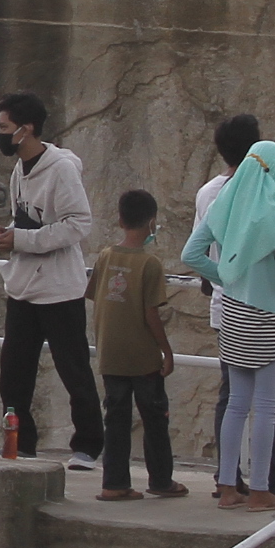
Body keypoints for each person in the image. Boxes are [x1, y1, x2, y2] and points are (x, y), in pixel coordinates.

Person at [183, 138, 275, 510]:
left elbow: (191, 254)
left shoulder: (225, 204)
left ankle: (227, 487)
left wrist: (225, 276)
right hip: (268, 316)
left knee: (236, 403)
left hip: (233, 313)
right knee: (266, 407)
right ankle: (262, 490)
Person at [0, 92, 101, 467]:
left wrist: (24, 239)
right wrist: (11, 235)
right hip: (23, 286)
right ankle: (21, 441)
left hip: (59, 289)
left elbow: (79, 223)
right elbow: (27, 219)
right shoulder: (20, 169)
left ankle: (88, 445)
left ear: (26, 128)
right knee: (13, 373)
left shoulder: (62, 170)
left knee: (73, 368)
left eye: (4, 127)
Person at [91, 190, 188, 501]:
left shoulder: (106, 256)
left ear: (119, 220)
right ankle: (161, 480)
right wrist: (166, 351)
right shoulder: (150, 263)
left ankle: (114, 483)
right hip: (143, 357)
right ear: (152, 222)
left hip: (111, 353)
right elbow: (151, 313)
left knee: (115, 417)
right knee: (155, 416)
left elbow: (94, 295)